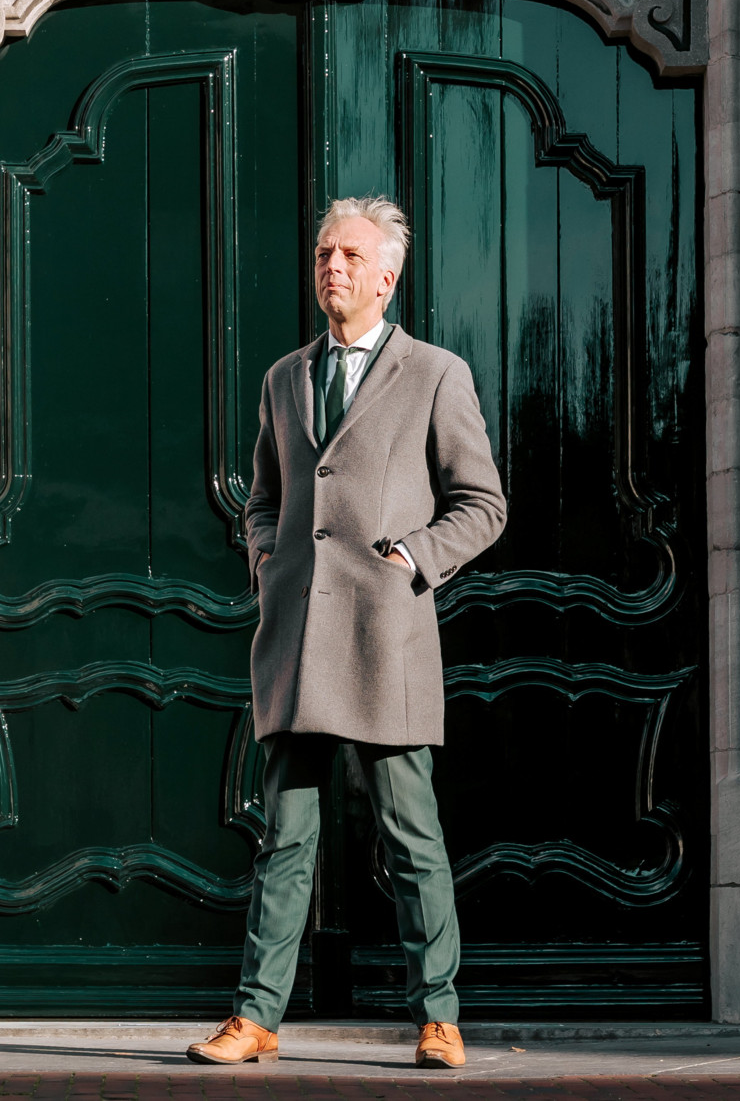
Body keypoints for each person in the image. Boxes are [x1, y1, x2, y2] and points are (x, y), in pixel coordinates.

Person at [186, 196, 507, 1070]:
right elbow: (263, 497)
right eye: (325, 250)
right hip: (295, 640)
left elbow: (484, 504)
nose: (333, 264)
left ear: (387, 275)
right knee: (286, 838)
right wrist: (265, 560)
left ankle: (438, 1014)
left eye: (351, 254)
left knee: (410, 835)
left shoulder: (436, 372)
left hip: (385, 637)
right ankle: (256, 1017)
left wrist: (415, 557)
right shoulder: (285, 378)